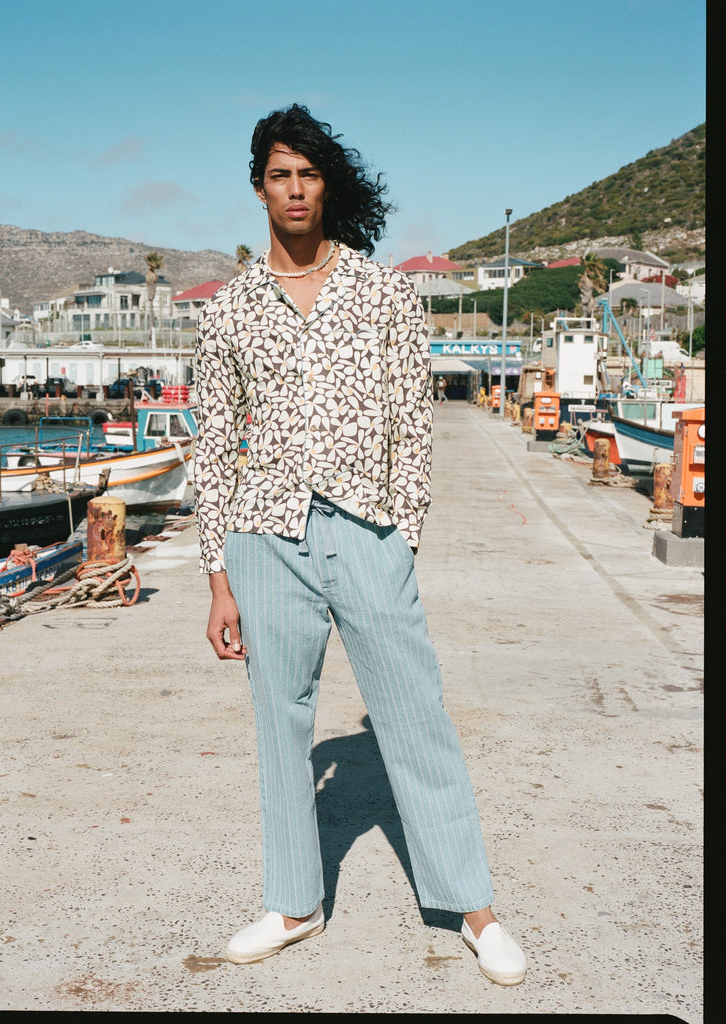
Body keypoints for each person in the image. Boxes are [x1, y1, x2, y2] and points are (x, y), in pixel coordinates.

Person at [192, 103, 526, 986]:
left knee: (417, 717)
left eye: (307, 173)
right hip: (266, 537)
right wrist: (219, 577)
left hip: (368, 530)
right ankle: (294, 903)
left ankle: (476, 909)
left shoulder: (381, 291)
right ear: (258, 186)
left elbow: (413, 425)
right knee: (279, 726)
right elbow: (212, 440)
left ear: (325, 184)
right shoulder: (229, 310)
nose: (293, 188)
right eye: (278, 173)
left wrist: (400, 535)